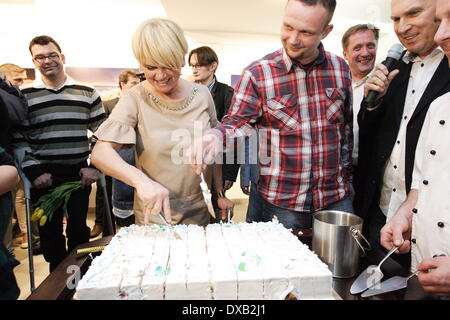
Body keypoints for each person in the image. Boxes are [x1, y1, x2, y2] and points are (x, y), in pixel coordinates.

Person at [188, 0, 354, 230]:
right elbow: (238, 122)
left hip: (336, 199)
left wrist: (347, 179)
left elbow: (345, 131)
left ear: (326, 31)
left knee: (339, 266)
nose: (293, 39)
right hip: (283, 203)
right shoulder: (258, 74)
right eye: (288, 27)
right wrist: (215, 136)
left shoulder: (340, 69)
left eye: (306, 32)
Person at [91, 18, 234, 226]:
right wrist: (141, 182)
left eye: (168, 66)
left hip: (199, 211)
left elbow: (214, 148)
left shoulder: (202, 95)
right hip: (155, 216)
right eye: (150, 67)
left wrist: (219, 193)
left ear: (182, 59)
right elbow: (100, 153)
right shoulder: (135, 98)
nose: (160, 76)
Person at [357, 0, 450, 269]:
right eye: (396, 19)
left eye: (413, 13)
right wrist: (371, 103)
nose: (402, 27)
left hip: (430, 223)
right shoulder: (396, 68)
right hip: (383, 210)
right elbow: (374, 138)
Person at [18, 35, 106, 272]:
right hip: (42, 177)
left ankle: (83, 278)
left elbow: (104, 134)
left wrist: (94, 166)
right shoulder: (24, 96)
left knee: (79, 229)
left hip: (79, 173)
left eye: (52, 55)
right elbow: (19, 138)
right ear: (34, 61)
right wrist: (34, 170)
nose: (47, 60)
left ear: (62, 57)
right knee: (50, 235)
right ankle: (58, 283)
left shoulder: (87, 92)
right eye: (40, 57)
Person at [380, 0, 450, 297]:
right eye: (441, 20)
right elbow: (423, 183)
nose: (440, 36)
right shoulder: (440, 107)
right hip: (423, 273)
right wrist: (405, 214)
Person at [188, 46, 239, 221]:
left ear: (213, 66)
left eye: (199, 65)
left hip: (218, 165)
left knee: (216, 212)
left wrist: (230, 172)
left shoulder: (227, 93)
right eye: (192, 65)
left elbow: (233, 135)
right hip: (189, 164)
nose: (194, 69)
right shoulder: (186, 92)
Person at [90, 70, 140, 237]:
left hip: (137, 161)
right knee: (107, 195)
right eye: (133, 83)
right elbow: (101, 138)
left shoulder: (146, 105)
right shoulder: (110, 105)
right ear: (122, 85)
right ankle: (103, 226)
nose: (137, 87)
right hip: (114, 160)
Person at [0, 63, 40, 251]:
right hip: (11, 156)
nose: (21, 85)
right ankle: (25, 234)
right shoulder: (9, 93)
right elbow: (16, 114)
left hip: (12, 156)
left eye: (23, 80)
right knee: (20, 195)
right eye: (17, 80)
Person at [341, 24, 379, 211]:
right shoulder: (337, 84)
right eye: (357, 48)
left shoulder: (385, 84)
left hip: (370, 174)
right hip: (339, 174)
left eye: (370, 46)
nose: (365, 53)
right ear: (345, 54)